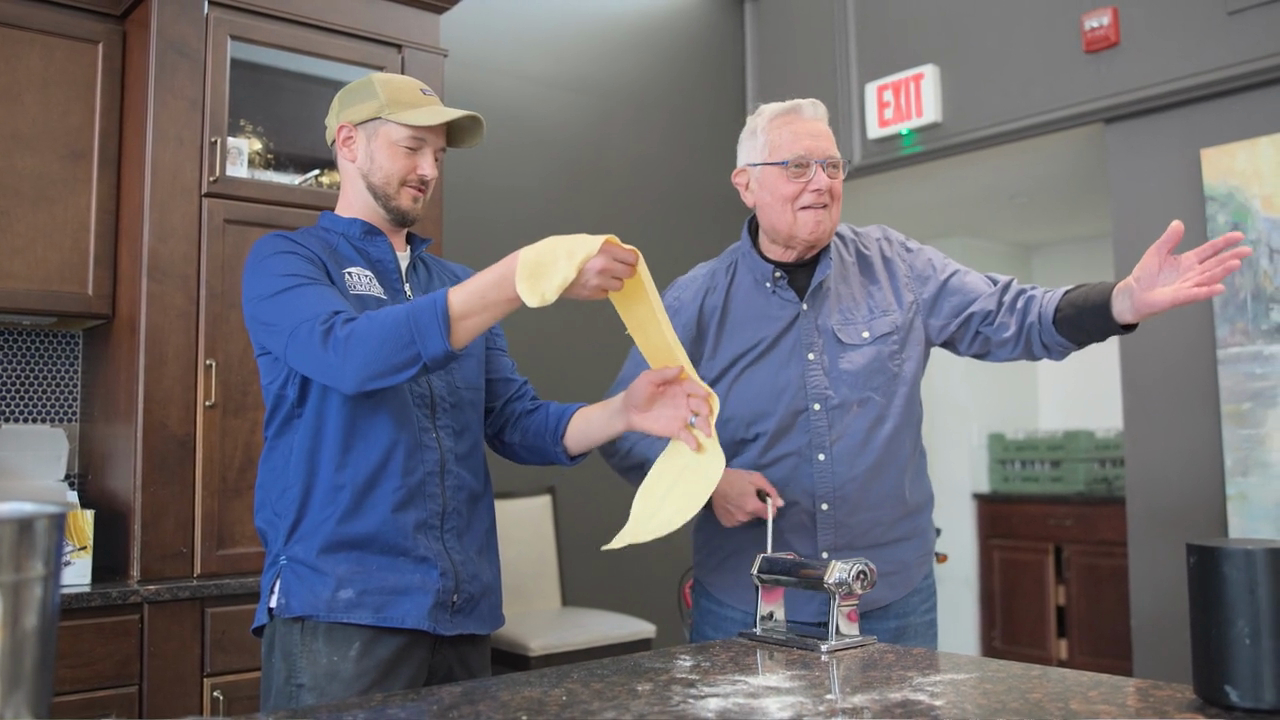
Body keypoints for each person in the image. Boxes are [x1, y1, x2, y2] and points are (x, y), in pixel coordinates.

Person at [598, 97, 1250, 648]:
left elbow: (1009, 314)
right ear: (745, 182)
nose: (820, 182)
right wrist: (711, 482)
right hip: (747, 600)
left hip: (891, 599)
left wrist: (1120, 303)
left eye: (831, 165)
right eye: (797, 166)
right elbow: (625, 431)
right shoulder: (695, 300)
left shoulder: (898, 267)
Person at [239, 72, 714, 714]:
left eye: (437, 155)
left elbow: (515, 423)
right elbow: (352, 356)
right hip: (341, 610)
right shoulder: (287, 262)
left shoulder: (452, 283)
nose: (429, 169)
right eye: (412, 147)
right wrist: (523, 277)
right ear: (349, 142)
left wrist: (624, 412)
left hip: (462, 614)